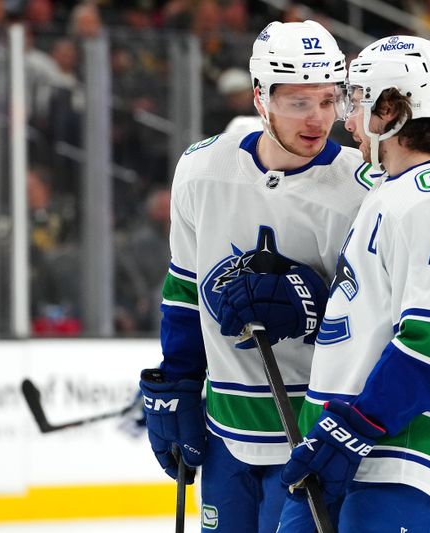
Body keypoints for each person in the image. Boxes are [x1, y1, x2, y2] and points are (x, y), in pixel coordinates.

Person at [137, 20, 368, 532]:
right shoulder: (201, 171)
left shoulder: (361, 188)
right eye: (298, 102)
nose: (318, 119)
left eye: (329, 101)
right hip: (227, 435)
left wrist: (312, 303)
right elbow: (183, 289)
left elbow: (373, 321)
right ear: (261, 97)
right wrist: (178, 378)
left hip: (313, 439)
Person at [276, 35, 430, 532]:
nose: (346, 119)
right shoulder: (385, 193)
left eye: (356, 101)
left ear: (392, 109)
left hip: (401, 453)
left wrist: (352, 429)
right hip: (347, 448)